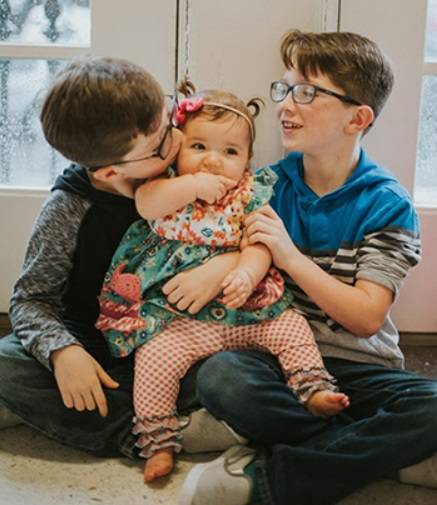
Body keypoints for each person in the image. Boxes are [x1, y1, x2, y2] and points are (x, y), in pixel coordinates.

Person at [176, 29, 437, 505]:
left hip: (356, 365)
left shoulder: (387, 204)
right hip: (272, 359)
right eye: (285, 88)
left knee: (433, 407)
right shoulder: (264, 186)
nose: (285, 105)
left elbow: (366, 318)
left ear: (357, 118)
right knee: (221, 377)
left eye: (307, 93)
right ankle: (387, 454)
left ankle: (270, 472)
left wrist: (290, 256)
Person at [95, 82, 349, 483]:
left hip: (248, 309)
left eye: (229, 152)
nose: (212, 161)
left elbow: (260, 244)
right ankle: (158, 440)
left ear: (247, 159)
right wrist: (192, 186)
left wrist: (247, 273)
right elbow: (146, 205)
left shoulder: (249, 193)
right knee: (154, 359)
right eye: (199, 147)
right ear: (177, 148)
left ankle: (312, 387)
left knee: (292, 328)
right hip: (181, 320)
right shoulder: (166, 183)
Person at [0, 56, 235, 459]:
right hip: (95, 350)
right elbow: (30, 301)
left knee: (235, 375)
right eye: (160, 144)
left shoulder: (191, 171)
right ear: (109, 172)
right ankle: (148, 431)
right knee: (6, 366)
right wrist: (62, 353)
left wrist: (225, 266)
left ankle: (66, 413)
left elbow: (249, 230)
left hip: (178, 345)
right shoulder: (69, 208)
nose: (178, 140)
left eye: (169, 119)